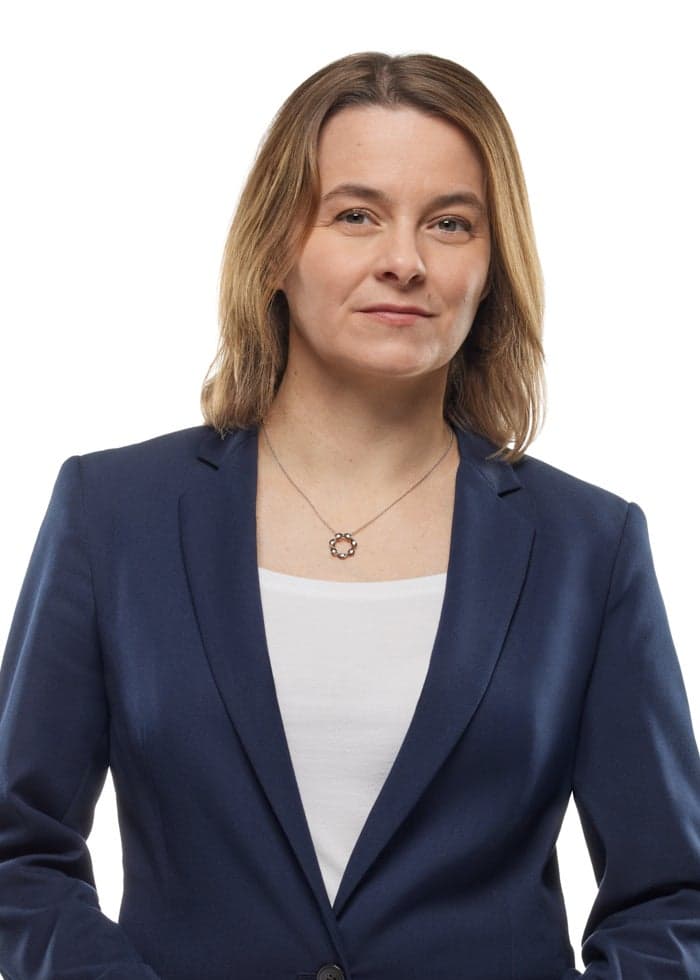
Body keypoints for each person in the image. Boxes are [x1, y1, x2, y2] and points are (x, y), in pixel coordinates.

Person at [0, 49, 699, 980]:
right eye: (356, 214)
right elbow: (18, 855)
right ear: (276, 248)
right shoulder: (113, 514)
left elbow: (671, 898)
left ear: (492, 267)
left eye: (450, 224)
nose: (404, 262)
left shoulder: (589, 547)